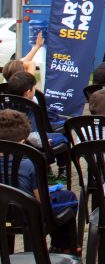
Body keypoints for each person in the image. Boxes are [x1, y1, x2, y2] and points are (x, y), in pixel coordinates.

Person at [0, 109, 78, 254]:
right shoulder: (29, 164)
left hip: (3, 214)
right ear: (23, 142)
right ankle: (61, 247)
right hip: (27, 215)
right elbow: (41, 201)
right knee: (69, 198)